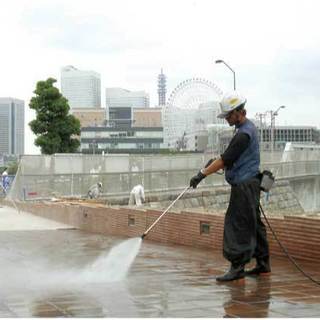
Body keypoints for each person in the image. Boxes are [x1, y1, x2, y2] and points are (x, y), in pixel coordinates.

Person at [189, 91, 270, 282]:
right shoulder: (247, 128)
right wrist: (212, 164)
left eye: (228, 115)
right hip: (251, 184)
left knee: (237, 225)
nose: (226, 119)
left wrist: (202, 174)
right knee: (255, 224)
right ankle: (263, 265)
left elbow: (226, 159)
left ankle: (237, 268)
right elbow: (229, 157)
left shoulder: (243, 134)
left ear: (239, 112)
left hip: (244, 186)